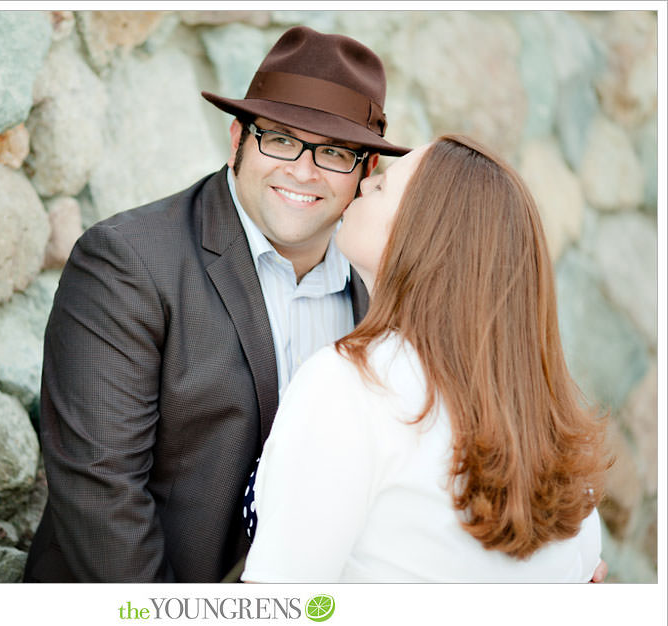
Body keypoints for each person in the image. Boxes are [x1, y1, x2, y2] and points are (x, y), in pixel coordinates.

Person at [23, 25, 412, 582]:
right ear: (237, 140)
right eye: (279, 139)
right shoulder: (128, 261)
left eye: (333, 153)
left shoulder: (377, 293)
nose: (302, 171)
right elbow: (100, 490)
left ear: (365, 173)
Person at [240, 134, 612, 582]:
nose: (361, 185)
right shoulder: (556, 436)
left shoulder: (350, 385)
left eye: (381, 187)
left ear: (423, 234)